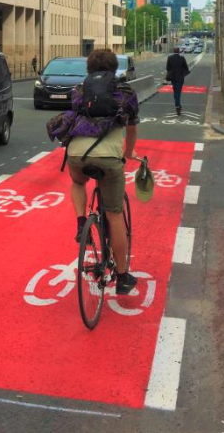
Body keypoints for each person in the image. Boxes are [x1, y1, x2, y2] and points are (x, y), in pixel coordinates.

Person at [66, 49, 139, 295]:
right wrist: (128, 153)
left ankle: (80, 222)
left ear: (89, 69)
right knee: (114, 215)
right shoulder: (125, 92)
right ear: (114, 68)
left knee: (78, 182)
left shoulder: (78, 90)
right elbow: (131, 128)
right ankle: (122, 276)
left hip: (77, 154)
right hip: (109, 157)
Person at [166, 47, 190, 115]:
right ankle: (178, 106)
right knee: (178, 92)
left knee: (175, 90)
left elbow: (167, 68)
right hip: (180, 78)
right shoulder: (182, 58)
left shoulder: (170, 58)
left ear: (173, 51)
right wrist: (182, 74)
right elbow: (186, 68)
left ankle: (177, 105)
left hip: (173, 78)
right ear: (179, 51)